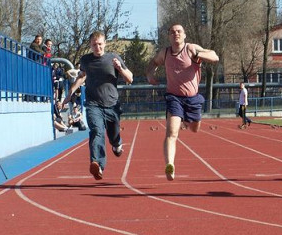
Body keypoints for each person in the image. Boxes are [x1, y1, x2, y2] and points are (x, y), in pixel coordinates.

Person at [146, 24, 219, 181]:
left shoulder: (191, 48)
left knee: (194, 129)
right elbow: (153, 62)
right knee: (171, 133)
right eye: (172, 32)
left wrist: (199, 55)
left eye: (179, 31)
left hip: (192, 98)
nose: (176, 34)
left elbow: (214, 56)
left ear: (184, 35)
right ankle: (170, 165)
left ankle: (188, 120)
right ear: (169, 36)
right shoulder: (165, 53)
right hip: (174, 98)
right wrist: (150, 74)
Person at [60, 31, 133, 180]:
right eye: (94, 45)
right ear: (90, 45)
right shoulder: (86, 60)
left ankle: (117, 144)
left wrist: (119, 68)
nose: (97, 47)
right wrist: (70, 93)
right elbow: (81, 77)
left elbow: (129, 78)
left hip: (112, 104)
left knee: (113, 136)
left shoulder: (113, 58)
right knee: (96, 131)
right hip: (94, 104)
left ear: (105, 43)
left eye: (100, 44)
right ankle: (97, 164)